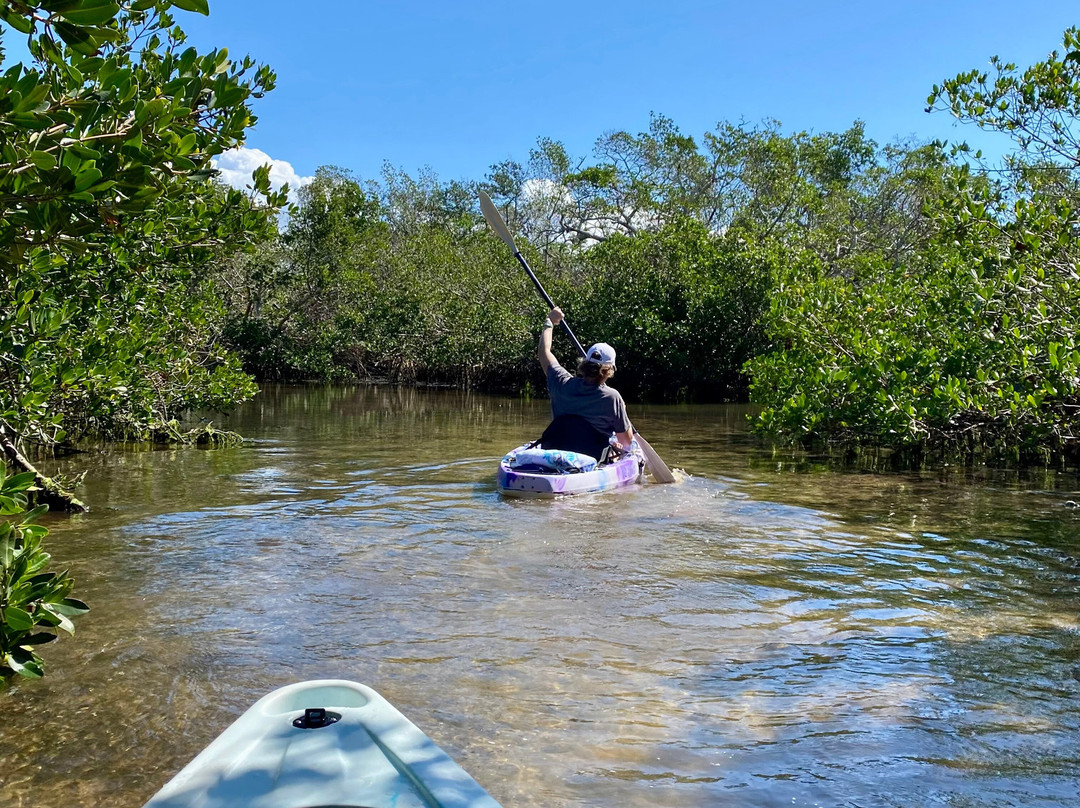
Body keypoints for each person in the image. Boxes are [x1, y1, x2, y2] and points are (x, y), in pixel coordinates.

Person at [537, 307, 634, 454]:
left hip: (554, 450)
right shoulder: (612, 398)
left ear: (585, 363)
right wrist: (623, 413)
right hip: (589, 458)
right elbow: (626, 442)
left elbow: (544, 352)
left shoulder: (561, 382)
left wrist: (550, 321)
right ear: (609, 370)